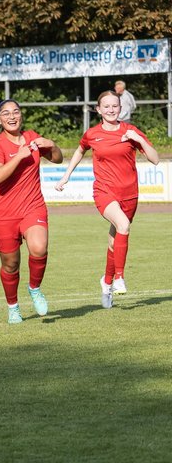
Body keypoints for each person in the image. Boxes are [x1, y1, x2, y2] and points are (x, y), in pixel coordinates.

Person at [55, 91, 160, 308]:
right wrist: (66, 176)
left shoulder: (130, 131)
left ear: (120, 108)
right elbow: (80, 150)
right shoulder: (92, 134)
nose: (111, 110)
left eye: (115, 106)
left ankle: (106, 281)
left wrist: (139, 139)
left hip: (130, 194)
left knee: (114, 241)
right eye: (107, 106)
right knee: (123, 225)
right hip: (104, 192)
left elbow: (155, 159)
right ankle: (120, 277)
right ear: (98, 109)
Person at [0, 99, 62, 324]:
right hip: (4, 214)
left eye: (16, 112)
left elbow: (57, 159)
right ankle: (13, 307)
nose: (12, 116)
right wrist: (19, 156)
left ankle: (35, 288)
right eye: (6, 113)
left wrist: (51, 144)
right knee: (11, 264)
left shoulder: (32, 137)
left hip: (33, 206)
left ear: (21, 115)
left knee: (39, 248)